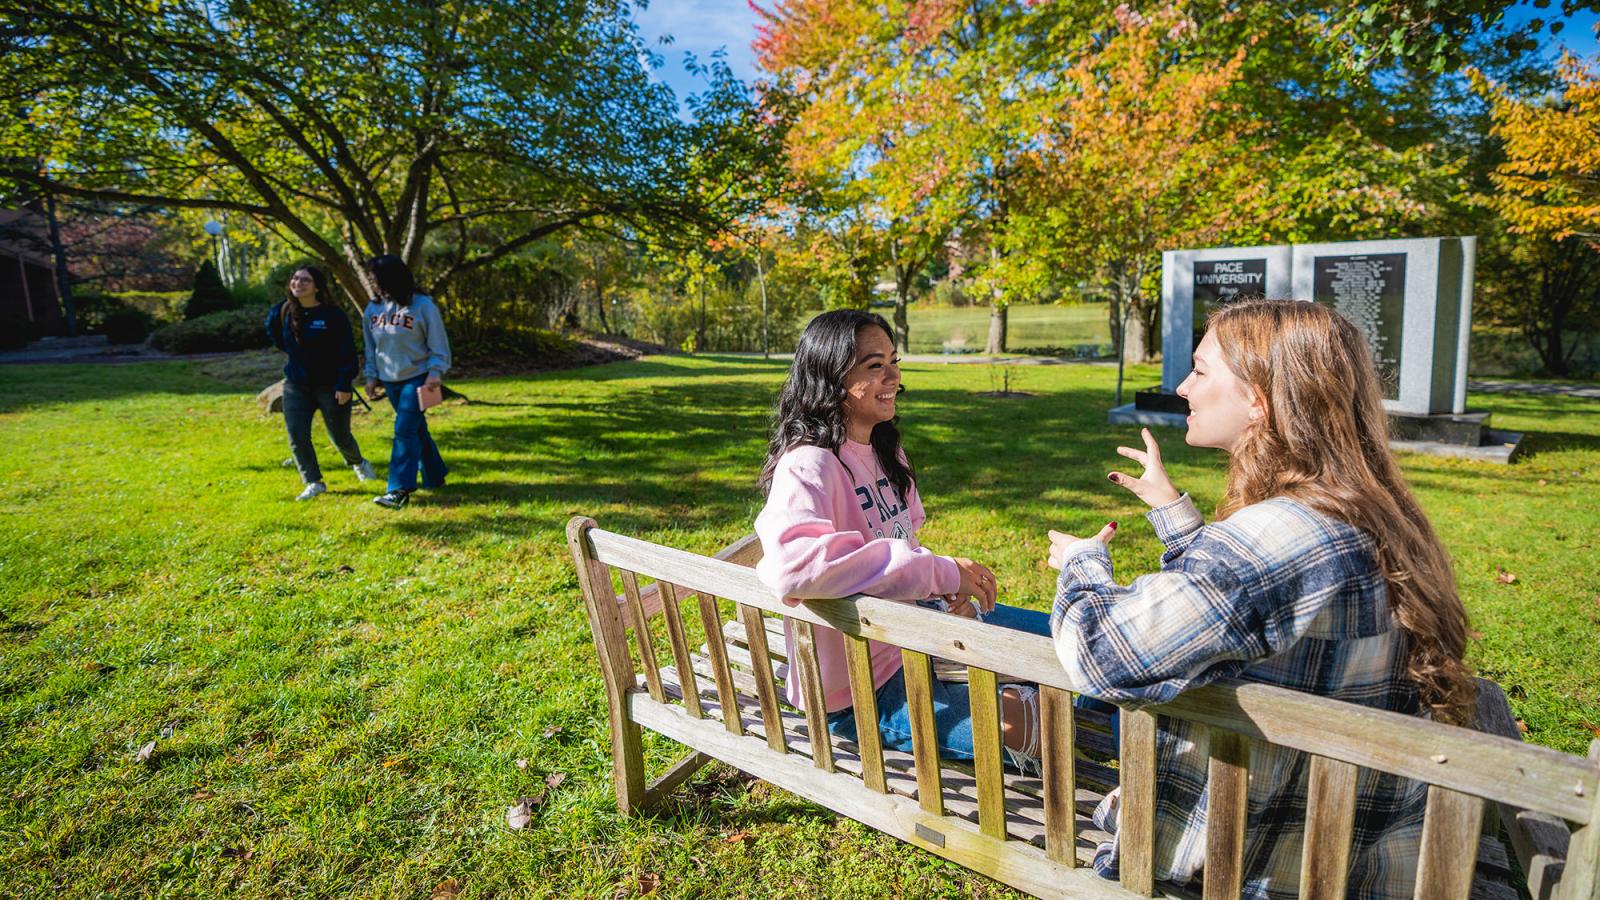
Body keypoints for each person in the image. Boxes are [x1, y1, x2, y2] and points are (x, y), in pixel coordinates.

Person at [1046, 299, 1475, 897]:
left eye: (1200, 370)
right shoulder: (1374, 512)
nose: (1181, 386)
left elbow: (1100, 654)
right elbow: (1256, 605)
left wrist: (1081, 564)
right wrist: (1173, 513)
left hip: (1252, 857)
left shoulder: (1281, 537)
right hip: (1358, 839)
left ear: (1258, 399)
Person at [755, 309, 1051, 774]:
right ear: (832, 376)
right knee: (1039, 722)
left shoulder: (885, 449)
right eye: (874, 365)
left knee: (1068, 639)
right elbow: (793, 565)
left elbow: (902, 544)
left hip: (916, 635)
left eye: (893, 360)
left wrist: (941, 586)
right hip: (858, 689)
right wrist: (939, 572)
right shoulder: (808, 465)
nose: (894, 375)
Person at [265, 264, 378, 500]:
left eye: (305, 280)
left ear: (317, 287)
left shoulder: (332, 315)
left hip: (331, 385)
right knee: (297, 435)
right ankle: (314, 482)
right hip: (296, 386)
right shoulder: (282, 311)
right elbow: (276, 336)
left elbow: (347, 352)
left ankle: (358, 462)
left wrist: (344, 384)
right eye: (295, 279)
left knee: (340, 435)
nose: (298, 283)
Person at [362, 255, 451, 509]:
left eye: (375, 278)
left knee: (403, 429)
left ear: (390, 278)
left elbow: (438, 343)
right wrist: (371, 376)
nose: (372, 282)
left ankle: (398, 489)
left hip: (419, 378)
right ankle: (435, 474)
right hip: (390, 380)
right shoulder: (373, 309)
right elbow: (371, 347)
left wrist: (435, 372)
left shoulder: (423, 306)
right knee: (415, 429)